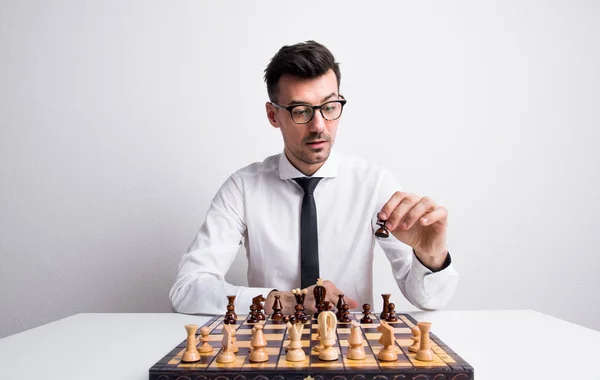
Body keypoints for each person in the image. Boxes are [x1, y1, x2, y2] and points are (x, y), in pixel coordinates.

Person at [170, 40, 458, 316]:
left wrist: (430, 256)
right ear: (273, 115)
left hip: (351, 352)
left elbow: (430, 300)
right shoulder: (243, 188)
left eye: (330, 107)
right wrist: (280, 301)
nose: (319, 126)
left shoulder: (374, 184)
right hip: (271, 350)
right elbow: (187, 289)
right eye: (301, 111)